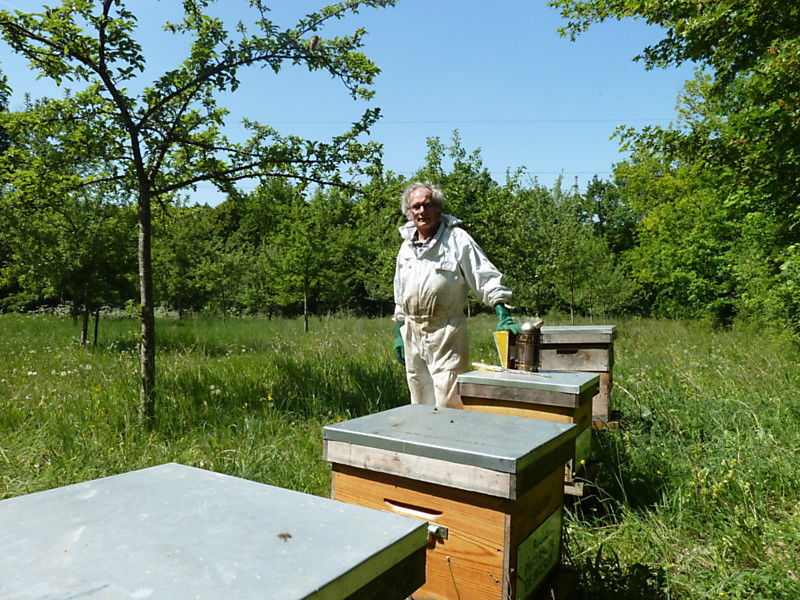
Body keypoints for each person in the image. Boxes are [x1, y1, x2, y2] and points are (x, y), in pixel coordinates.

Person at [392, 182, 520, 408]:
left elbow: (484, 274)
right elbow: (400, 291)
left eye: (428, 205)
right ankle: (423, 440)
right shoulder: (405, 248)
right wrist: (398, 331)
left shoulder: (457, 239)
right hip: (412, 330)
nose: (422, 211)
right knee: (418, 393)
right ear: (409, 213)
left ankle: (448, 440)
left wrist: (502, 311)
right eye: (416, 207)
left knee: (448, 395)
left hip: (446, 331)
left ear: (439, 208)